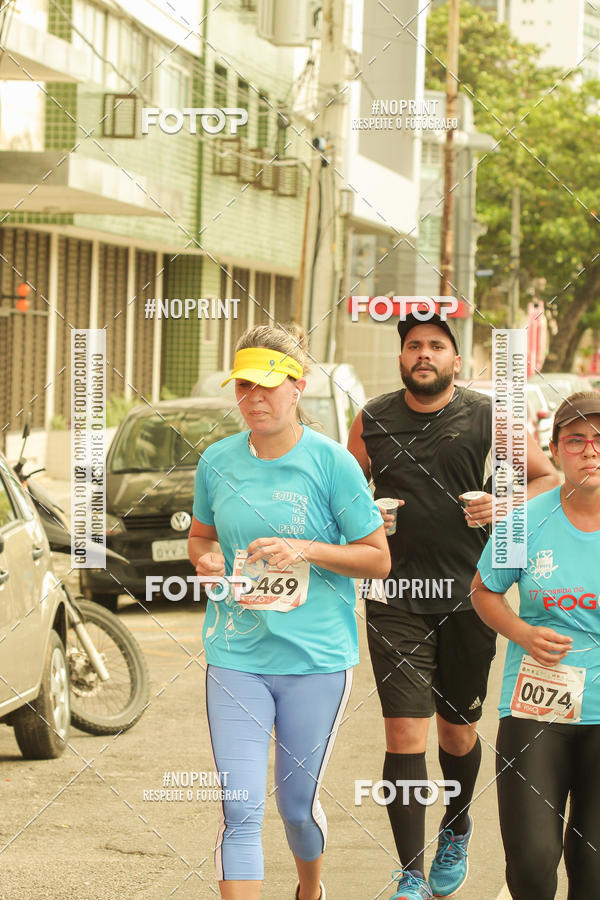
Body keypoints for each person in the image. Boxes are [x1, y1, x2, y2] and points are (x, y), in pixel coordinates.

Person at [347, 313, 560, 900]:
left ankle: (457, 822)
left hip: (470, 596)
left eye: (436, 346)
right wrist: (368, 516)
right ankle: (410, 872)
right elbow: (344, 495)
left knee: (459, 734)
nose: (424, 354)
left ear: (456, 361)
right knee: (403, 732)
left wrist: (503, 505)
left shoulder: (492, 416)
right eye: (413, 345)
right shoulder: (370, 420)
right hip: (396, 597)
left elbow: (546, 479)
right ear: (400, 358)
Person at [188, 324, 390, 900]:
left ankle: (310, 889)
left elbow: (377, 559)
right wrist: (206, 562)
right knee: (241, 808)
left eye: (268, 386)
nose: (254, 397)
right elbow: (201, 538)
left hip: (316, 661)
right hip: (236, 655)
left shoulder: (331, 463)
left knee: (295, 807)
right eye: (244, 385)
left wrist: (305, 548)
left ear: (298, 387)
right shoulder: (216, 461)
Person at [472, 391, 600, 899]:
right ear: (555, 449)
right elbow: (484, 592)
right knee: (532, 860)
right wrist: (523, 633)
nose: (590, 450)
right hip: (534, 710)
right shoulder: (523, 520)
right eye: (576, 441)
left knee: (592, 871)